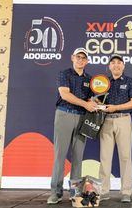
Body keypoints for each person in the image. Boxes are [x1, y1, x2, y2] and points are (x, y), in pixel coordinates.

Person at [47, 48, 97, 204]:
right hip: (64, 114)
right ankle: (56, 192)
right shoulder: (64, 74)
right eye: (78, 57)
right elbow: (65, 94)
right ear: (72, 57)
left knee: (78, 157)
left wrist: (95, 103)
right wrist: (85, 104)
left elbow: (91, 100)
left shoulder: (90, 79)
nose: (80, 60)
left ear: (87, 61)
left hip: (82, 118)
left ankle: (75, 193)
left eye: (84, 58)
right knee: (60, 156)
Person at [99, 54, 132, 203]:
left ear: (123, 66)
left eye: (119, 63)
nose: (116, 65)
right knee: (105, 157)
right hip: (106, 121)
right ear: (109, 66)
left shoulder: (130, 82)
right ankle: (103, 191)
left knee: (125, 157)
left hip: (123, 120)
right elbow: (96, 99)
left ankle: (126, 192)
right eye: (113, 63)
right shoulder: (103, 82)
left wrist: (116, 107)